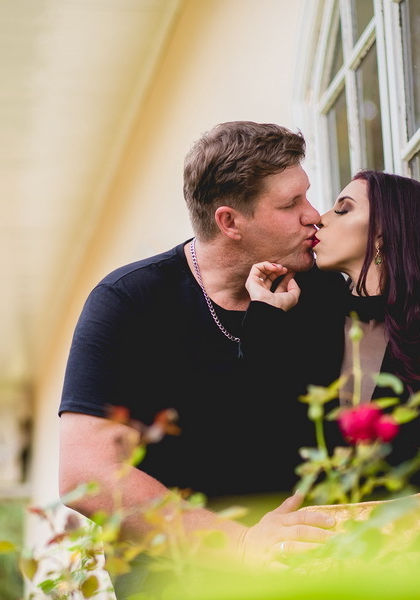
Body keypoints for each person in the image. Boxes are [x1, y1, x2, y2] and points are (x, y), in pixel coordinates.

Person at [57, 122, 350, 591]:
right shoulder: (130, 302)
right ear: (229, 222)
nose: (313, 215)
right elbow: (86, 474)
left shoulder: (324, 293)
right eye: (290, 204)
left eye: (308, 196)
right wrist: (241, 546)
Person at [244, 170, 420, 498]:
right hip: (305, 528)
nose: (320, 219)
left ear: (382, 236)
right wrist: (265, 314)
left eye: (343, 209)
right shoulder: (305, 314)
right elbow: (256, 431)